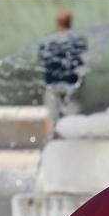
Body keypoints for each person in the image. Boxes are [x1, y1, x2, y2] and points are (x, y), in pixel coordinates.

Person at [39, 10, 88, 139]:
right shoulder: (77, 40)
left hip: (52, 83)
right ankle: (72, 144)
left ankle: (49, 143)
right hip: (72, 84)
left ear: (57, 22)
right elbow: (84, 61)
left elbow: (40, 60)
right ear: (70, 22)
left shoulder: (48, 39)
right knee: (73, 118)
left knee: (51, 118)